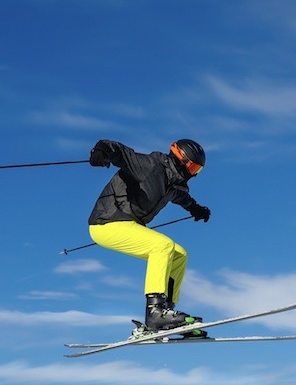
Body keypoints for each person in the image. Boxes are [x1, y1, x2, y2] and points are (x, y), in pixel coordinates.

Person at [88, 138, 211, 331]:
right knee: (162, 246)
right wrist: (101, 151)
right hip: (107, 222)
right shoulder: (150, 165)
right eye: (194, 168)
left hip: (128, 224)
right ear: (182, 159)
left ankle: (167, 312)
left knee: (179, 255)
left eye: (198, 170)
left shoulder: (174, 183)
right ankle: (155, 313)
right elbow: (117, 150)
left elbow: (181, 196)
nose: (194, 174)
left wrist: (195, 209)